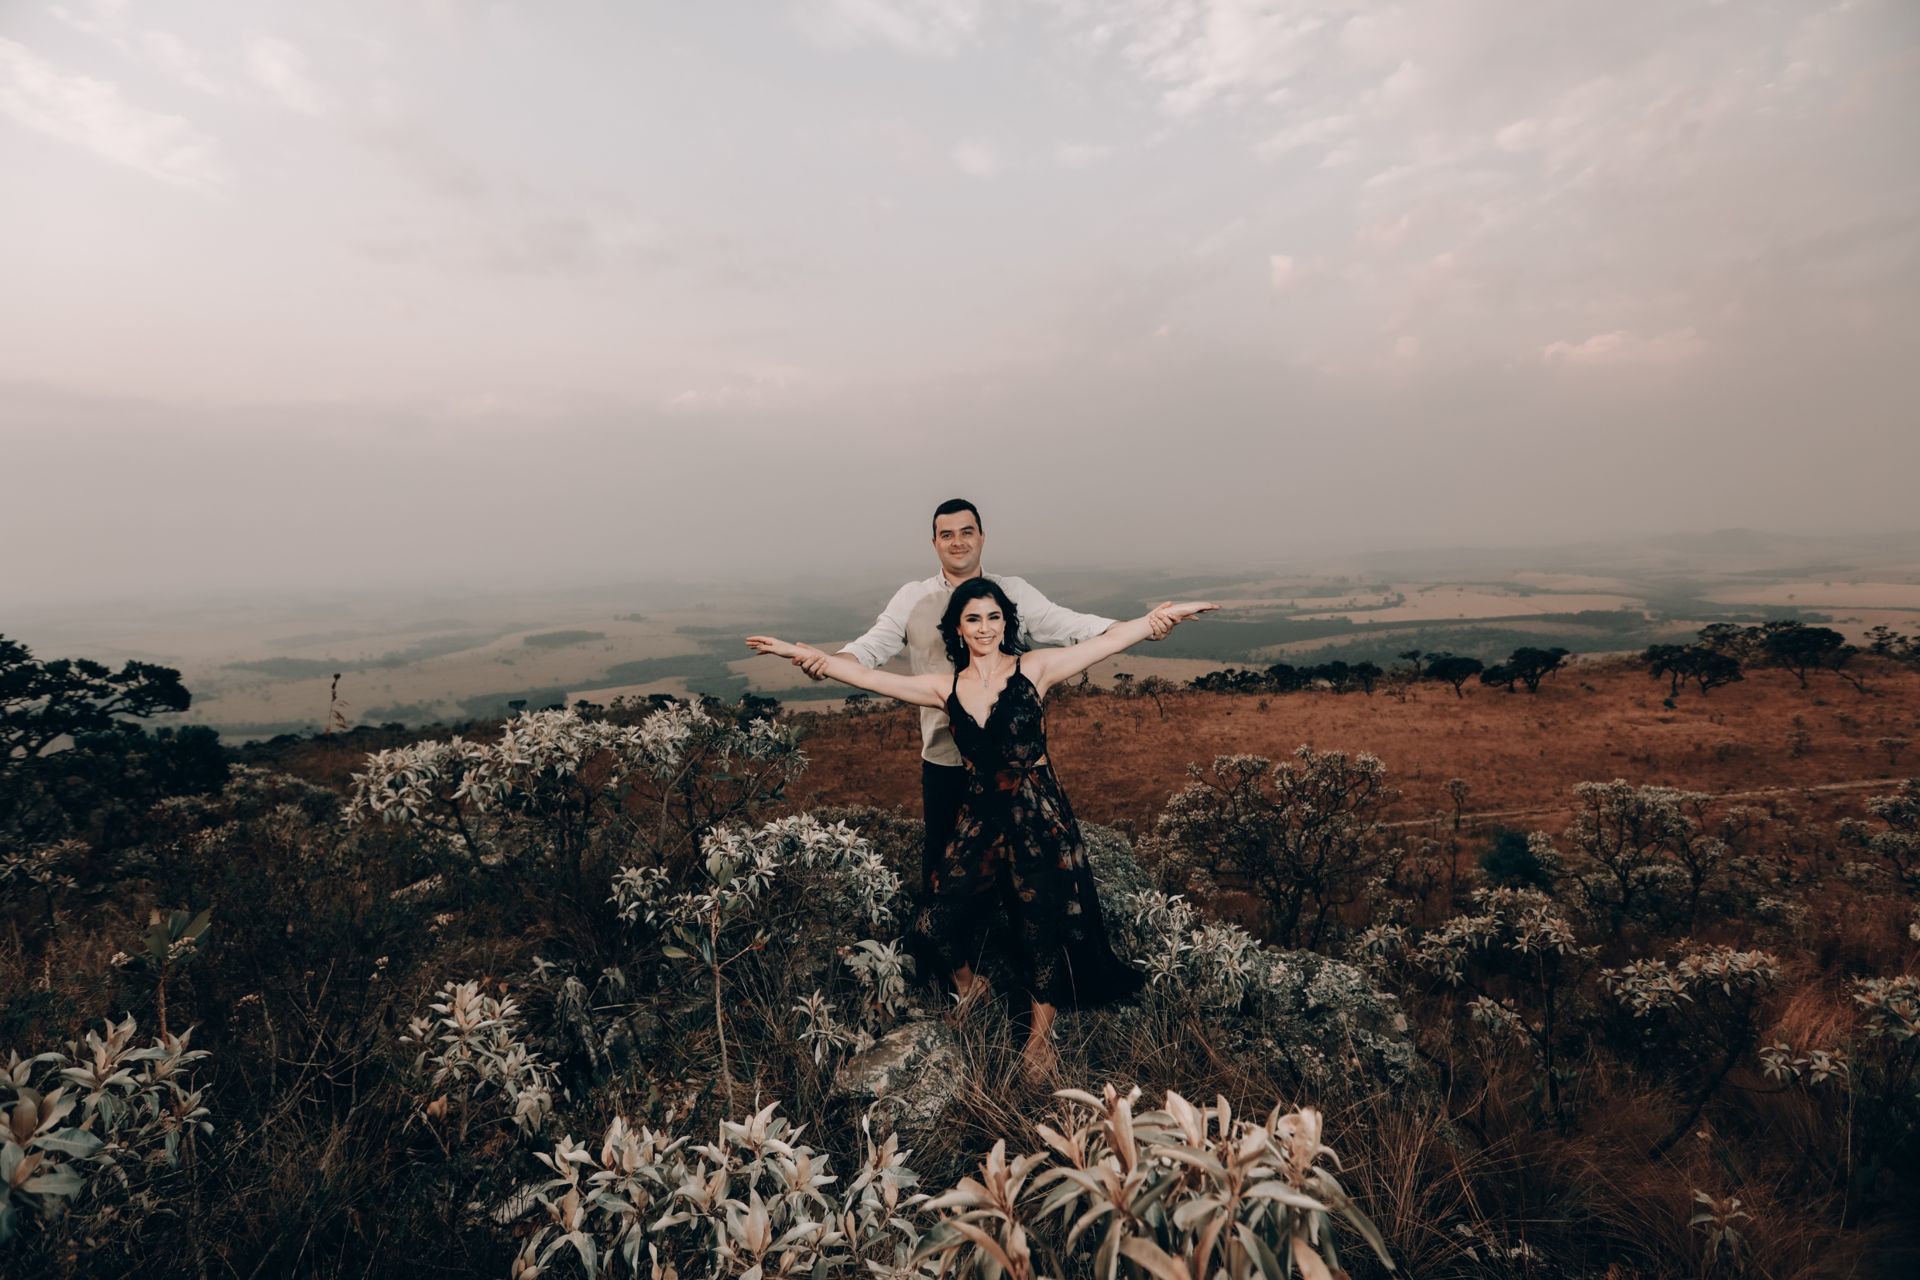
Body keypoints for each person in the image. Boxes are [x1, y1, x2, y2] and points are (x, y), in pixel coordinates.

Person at [747, 579, 1214, 1082]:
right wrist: (805, 655)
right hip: (980, 819)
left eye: (994, 617)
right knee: (933, 924)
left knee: (1042, 925)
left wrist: (1158, 619)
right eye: (974, 619)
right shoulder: (943, 688)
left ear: (1006, 622)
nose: (985, 627)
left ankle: (1039, 1042)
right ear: (958, 629)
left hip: (1039, 817)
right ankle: (972, 987)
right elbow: (864, 677)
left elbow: (1106, 642)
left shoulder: (1035, 668)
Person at [785, 498, 1173, 896]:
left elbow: (1068, 625)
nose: (958, 542)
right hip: (945, 759)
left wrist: (1138, 627)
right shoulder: (911, 598)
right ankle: (953, 956)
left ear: (982, 537)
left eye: (966, 532)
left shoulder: (1012, 592)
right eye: (946, 534)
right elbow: (870, 648)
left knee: (1019, 876)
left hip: (1009, 761)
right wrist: (829, 662)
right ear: (934, 543)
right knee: (944, 872)